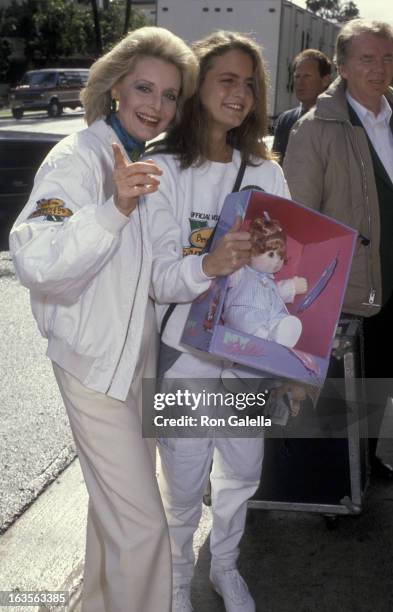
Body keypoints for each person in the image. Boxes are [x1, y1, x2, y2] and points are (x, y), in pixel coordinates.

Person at [9, 26, 198, 612]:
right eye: (145, 88)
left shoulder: (143, 163)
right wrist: (113, 209)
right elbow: (37, 261)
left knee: (116, 512)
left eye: (169, 96)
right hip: (93, 370)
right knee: (144, 526)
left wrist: (210, 264)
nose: (156, 105)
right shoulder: (78, 157)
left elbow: (160, 280)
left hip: (132, 363)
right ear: (115, 87)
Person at [145, 31, 291, 612]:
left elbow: (281, 269)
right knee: (183, 482)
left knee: (240, 472)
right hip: (185, 354)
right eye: (226, 79)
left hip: (248, 357)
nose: (239, 93)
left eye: (249, 83)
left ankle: (224, 567)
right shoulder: (161, 167)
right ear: (196, 85)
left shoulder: (266, 171)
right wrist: (208, 263)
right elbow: (156, 278)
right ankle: (178, 578)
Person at [283, 19, 393, 480]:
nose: (379, 68)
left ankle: (366, 465)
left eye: (387, 58)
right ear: (343, 67)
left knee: (380, 382)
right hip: (348, 288)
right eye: (367, 58)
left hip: (390, 280)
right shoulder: (315, 129)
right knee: (347, 391)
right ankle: (337, 483)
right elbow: (299, 219)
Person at [224, 216, 307, 347]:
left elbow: (278, 293)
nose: (276, 262)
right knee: (246, 320)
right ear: (252, 251)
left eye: (280, 256)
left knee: (278, 317)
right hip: (243, 310)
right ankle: (263, 339)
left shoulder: (270, 282)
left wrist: (292, 286)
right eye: (271, 254)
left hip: (267, 316)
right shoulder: (242, 272)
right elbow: (227, 276)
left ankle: (281, 333)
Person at [272, 49, 332, 162]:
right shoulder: (285, 120)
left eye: (307, 76)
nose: (300, 82)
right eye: (297, 76)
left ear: (325, 80)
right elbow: (276, 165)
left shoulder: (336, 120)